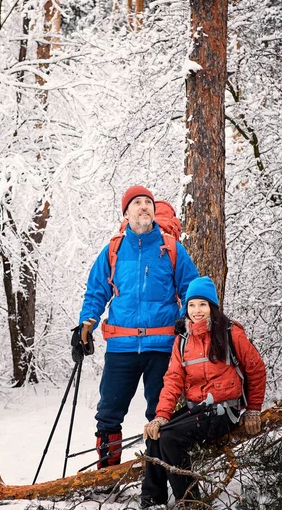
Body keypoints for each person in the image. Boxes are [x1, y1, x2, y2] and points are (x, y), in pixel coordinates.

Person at [72, 185, 199, 468]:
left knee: (160, 413)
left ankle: (157, 476)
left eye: (148, 202)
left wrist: (183, 316)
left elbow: (192, 287)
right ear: (126, 212)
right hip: (121, 347)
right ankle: (108, 472)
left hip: (163, 347)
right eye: (137, 203)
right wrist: (85, 326)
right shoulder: (113, 250)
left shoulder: (172, 249)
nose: (144, 207)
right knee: (108, 412)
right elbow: (96, 292)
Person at [141, 276, 266, 509]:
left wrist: (253, 410)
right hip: (195, 410)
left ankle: (190, 502)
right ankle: (152, 501)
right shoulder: (182, 341)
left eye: (202, 304)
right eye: (191, 305)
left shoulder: (230, 334)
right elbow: (173, 380)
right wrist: (161, 415)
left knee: (169, 438)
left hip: (223, 411)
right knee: (156, 434)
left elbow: (256, 370)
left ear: (212, 307)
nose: (196, 311)